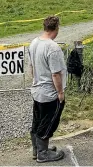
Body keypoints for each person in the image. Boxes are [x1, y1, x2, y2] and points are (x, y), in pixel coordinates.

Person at [28, 16, 66, 163]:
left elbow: (31, 67)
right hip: (49, 93)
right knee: (49, 121)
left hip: (37, 90)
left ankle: (36, 149)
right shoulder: (52, 48)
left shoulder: (34, 42)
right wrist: (60, 93)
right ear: (56, 28)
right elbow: (55, 73)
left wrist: (36, 81)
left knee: (37, 120)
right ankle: (42, 153)